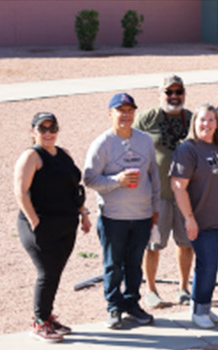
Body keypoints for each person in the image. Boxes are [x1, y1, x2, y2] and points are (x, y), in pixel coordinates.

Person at [82, 92, 164, 329]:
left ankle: (132, 304)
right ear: (111, 114)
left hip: (142, 215)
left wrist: (155, 210)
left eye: (130, 110)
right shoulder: (102, 143)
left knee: (134, 264)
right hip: (113, 217)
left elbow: (154, 178)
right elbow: (89, 179)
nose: (126, 115)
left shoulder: (145, 140)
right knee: (112, 264)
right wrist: (117, 180)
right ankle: (114, 307)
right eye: (121, 110)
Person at [14, 112, 92, 342]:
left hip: (67, 223)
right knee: (47, 273)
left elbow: (74, 188)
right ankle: (39, 322)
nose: (48, 133)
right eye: (42, 129)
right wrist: (34, 221)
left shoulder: (63, 153)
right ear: (33, 132)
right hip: (40, 226)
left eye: (52, 128)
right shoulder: (31, 156)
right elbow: (20, 191)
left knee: (55, 272)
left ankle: (47, 317)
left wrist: (84, 213)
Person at [171, 105, 218, 329]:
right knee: (207, 264)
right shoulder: (188, 149)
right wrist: (189, 218)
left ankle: (203, 307)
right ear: (194, 122)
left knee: (209, 264)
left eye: (211, 120)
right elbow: (178, 186)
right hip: (201, 220)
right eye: (202, 120)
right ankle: (200, 309)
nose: (206, 125)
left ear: (217, 124)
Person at [133, 76, 195, 308]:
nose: (174, 97)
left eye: (178, 92)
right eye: (169, 92)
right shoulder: (148, 118)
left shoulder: (190, 118)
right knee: (153, 244)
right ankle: (150, 289)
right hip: (157, 194)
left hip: (186, 194)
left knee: (186, 242)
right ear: (160, 94)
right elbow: (130, 143)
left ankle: (184, 287)